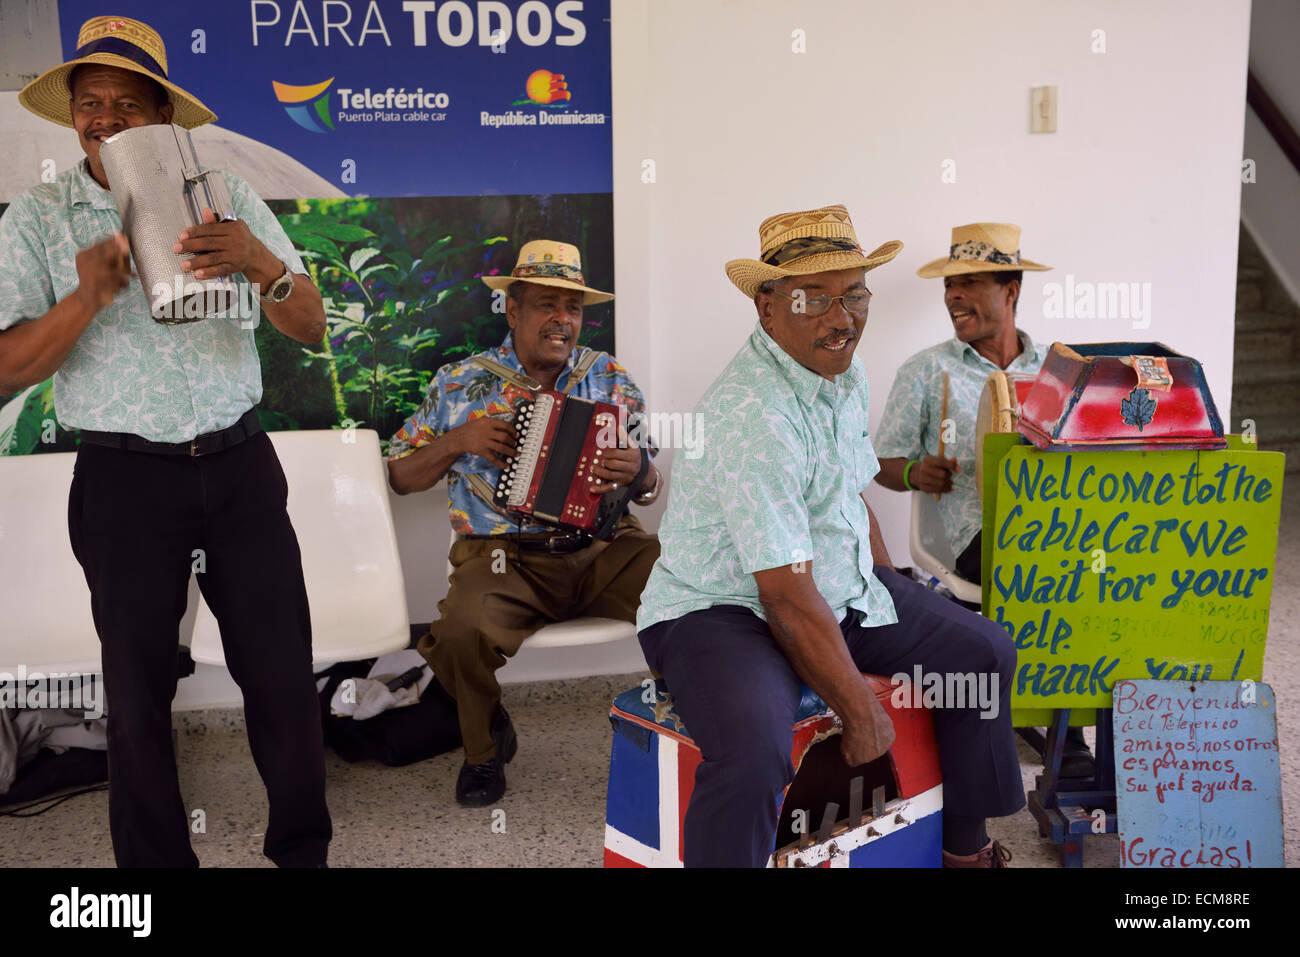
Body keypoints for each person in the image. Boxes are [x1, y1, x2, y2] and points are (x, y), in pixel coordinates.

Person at [0, 16, 332, 865]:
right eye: (90, 103)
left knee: (284, 680)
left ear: (160, 116)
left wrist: (263, 261)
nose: (105, 117)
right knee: (139, 698)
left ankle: (301, 852)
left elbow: (311, 326)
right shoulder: (38, 219)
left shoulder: (225, 194)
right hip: (123, 482)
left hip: (240, 469)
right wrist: (85, 297)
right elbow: (4, 370)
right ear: (73, 115)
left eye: (127, 102)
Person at [636, 205, 1024, 867]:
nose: (839, 317)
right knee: (755, 751)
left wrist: (890, 583)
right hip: (721, 608)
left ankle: (964, 850)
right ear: (767, 306)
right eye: (813, 297)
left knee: (982, 652)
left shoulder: (844, 370)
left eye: (853, 295)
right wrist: (860, 710)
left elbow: (850, 493)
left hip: (830, 586)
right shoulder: (752, 410)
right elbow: (784, 598)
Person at [387, 239, 661, 806]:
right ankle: (484, 752)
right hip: (502, 557)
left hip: (605, 548)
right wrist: (459, 441)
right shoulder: (461, 383)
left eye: (573, 307)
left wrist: (641, 469)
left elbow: (652, 484)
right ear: (512, 311)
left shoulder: (607, 376)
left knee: (695, 591)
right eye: (545, 304)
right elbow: (401, 477)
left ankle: (690, 726)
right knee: (462, 632)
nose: (562, 320)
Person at [873, 223, 1093, 777]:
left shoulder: (1060, 370)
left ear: (1010, 290)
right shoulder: (926, 371)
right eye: (950, 286)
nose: (953, 296)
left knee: (1100, 560)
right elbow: (879, 466)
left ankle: (1070, 715)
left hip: (1050, 532)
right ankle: (1055, 729)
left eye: (969, 283)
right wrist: (916, 473)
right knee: (1065, 571)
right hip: (966, 540)